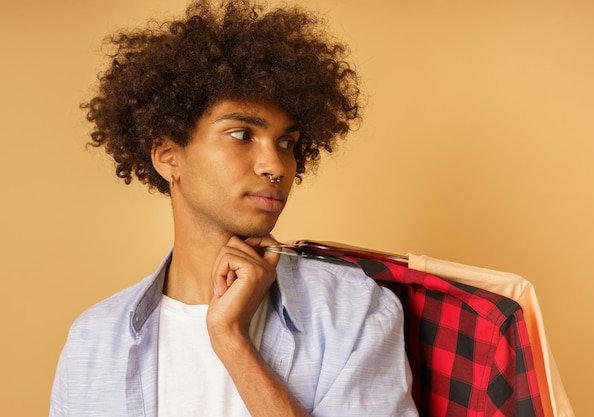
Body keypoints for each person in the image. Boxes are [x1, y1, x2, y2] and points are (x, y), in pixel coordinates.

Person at [49, 1, 418, 416]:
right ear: (169, 157)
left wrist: (230, 339)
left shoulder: (352, 311)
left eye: (287, 144)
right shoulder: (93, 342)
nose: (275, 165)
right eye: (242, 134)